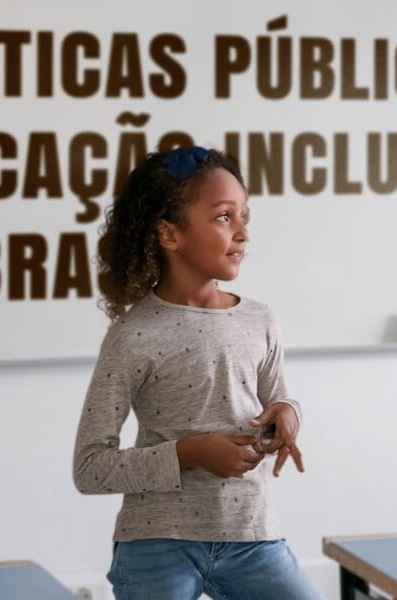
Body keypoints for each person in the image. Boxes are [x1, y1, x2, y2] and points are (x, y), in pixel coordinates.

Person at [72, 146, 322, 599]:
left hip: (251, 538)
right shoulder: (132, 336)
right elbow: (90, 469)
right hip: (155, 546)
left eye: (246, 217)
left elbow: (279, 398)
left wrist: (286, 415)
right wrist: (189, 453)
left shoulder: (261, 320)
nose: (243, 233)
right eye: (225, 217)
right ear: (169, 234)